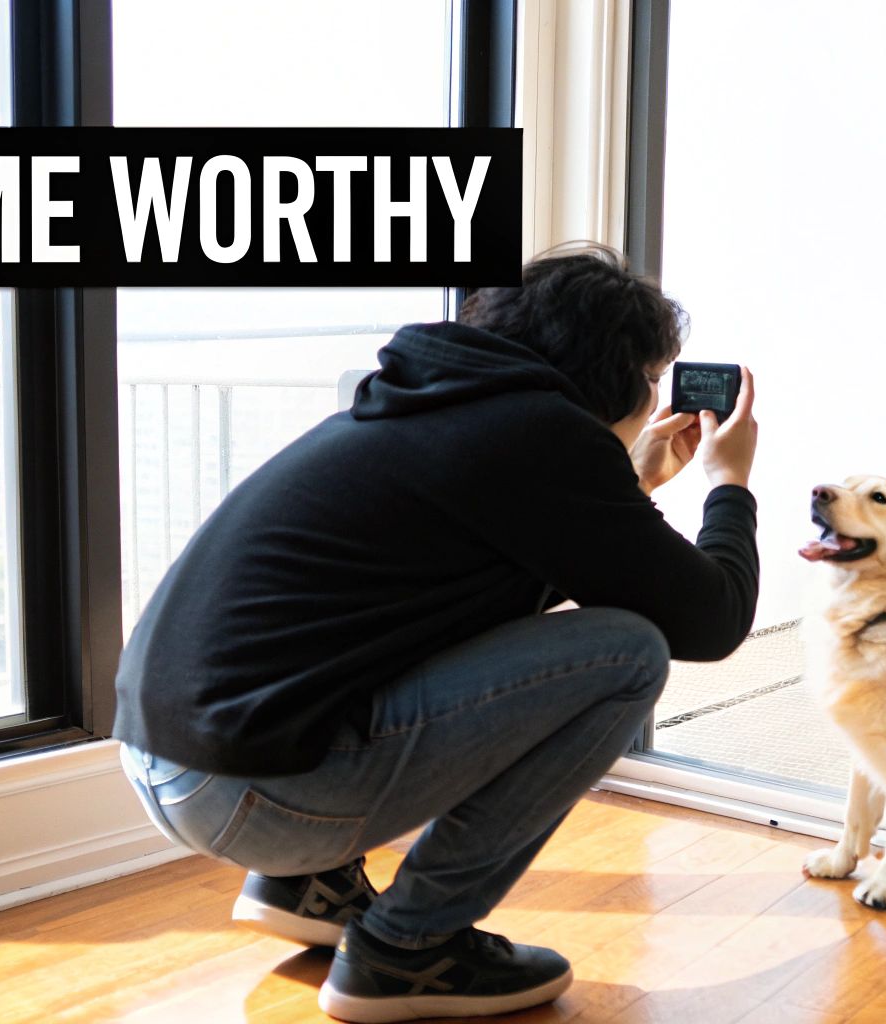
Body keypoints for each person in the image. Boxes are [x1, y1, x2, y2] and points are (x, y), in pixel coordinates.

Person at [113, 245, 760, 1023]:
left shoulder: (425, 401)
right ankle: (410, 949)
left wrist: (632, 481)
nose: (654, 394)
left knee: (408, 629)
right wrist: (730, 484)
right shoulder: (541, 438)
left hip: (166, 760)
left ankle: (311, 888)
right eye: (653, 375)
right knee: (629, 654)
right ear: (616, 372)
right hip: (254, 793)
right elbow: (713, 620)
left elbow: (502, 561)